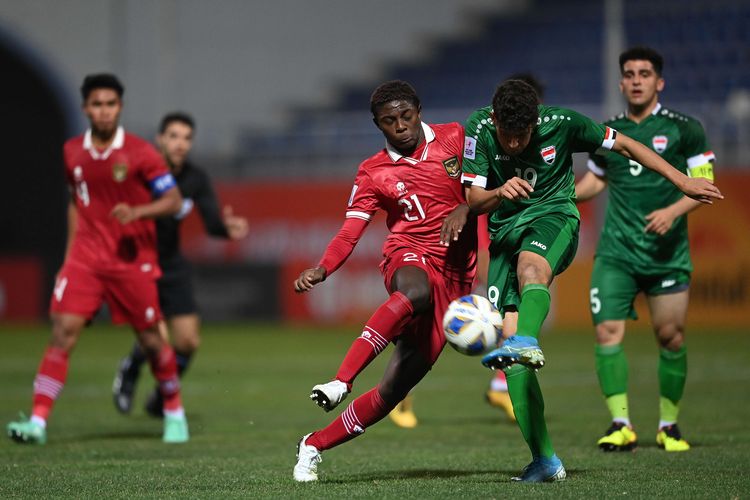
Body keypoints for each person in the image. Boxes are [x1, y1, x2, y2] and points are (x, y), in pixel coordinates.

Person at [461, 80, 721, 481]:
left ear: (535, 121)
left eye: (522, 135)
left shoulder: (564, 123)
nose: (513, 144)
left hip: (553, 217)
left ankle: (528, 339)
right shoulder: (477, 128)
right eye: (507, 135)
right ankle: (545, 460)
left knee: (533, 271)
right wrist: (499, 190)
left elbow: (629, 145)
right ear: (494, 119)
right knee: (514, 366)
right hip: (504, 232)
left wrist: (682, 181)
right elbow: (474, 201)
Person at [292, 80, 477, 482]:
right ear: (378, 125)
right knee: (414, 290)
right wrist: (323, 268)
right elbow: (349, 232)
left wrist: (465, 206)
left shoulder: (456, 138)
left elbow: (484, 187)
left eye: (406, 116)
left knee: (392, 392)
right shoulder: (373, 171)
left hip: (457, 282)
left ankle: (312, 444)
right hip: (407, 254)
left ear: (419, 110)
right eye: (389, 121)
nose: (401, 127)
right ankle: (341, 380)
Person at [6, 74, 190, 444]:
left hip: (131, 259)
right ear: (85, 108)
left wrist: (138, 213)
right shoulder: (71, 151)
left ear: (119, 107)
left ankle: (174, 411)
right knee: (62, 333)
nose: (104, 111)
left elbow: (173, 201)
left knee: (153, 342)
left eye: (110, 104)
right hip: (86, 260)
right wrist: (69, 256)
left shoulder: (141, 153)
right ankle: (38, 423)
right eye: (97, 104)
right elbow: (78, 201)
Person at [575, 47, 716, 453]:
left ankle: (669, 426)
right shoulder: (609, 131)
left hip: (666, 254)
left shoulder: (685, 129)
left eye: (645, 73)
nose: (637, 80)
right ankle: (620, 424)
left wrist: (673, 210)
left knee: (670, 337)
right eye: (630, 74)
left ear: (659, 82)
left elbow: (703, 183)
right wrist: (563, 196)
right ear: (621, 82)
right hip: (616, 251)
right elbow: (596, 182)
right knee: (607, 332)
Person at [112, 112, 249, 417]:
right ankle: (130, 370)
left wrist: (228, 228)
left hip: (172, 263)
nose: (180, 144)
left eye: (186, 138)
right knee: (156, 341)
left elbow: (212, 223)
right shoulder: (139, 172)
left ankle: (160, 399)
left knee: (187, 340)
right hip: (138, 262)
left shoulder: (195, 179)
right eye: (173, 136)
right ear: (160, 139)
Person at [484, 73, 546, 421]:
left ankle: (502, 383)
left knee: (520, 298)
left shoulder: (553, 131)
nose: (514, 139)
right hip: (494, 224)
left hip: (528, 227)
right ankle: (500, 383)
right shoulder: (481, 134)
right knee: (502, 308)